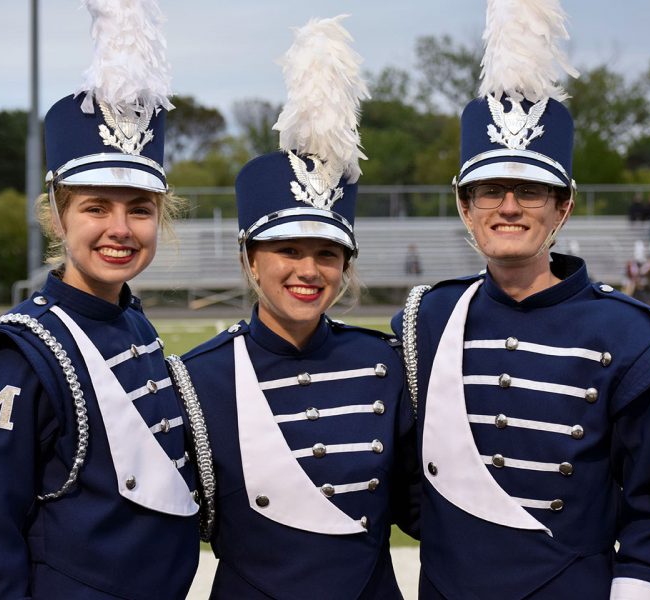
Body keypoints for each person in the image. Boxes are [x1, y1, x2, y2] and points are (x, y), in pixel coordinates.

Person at [393, 1, 650, 598]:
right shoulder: (427, 319)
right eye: (488, 191)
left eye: (530, 190)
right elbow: (409, 483)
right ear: (465, 206)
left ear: (564, 207)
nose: (508, 206)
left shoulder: (632, 334)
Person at [0, 1, 207, 598]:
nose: (121, 228)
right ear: (57, 218)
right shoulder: (21, 352)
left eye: (140, 210)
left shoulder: (132, 320)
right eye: (96, 207)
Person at [168, 17, 417, 599]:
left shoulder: (386, 364)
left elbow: (428, 510)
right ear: (250, 258)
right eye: (287, 250)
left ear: (346, 265)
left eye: (327, 253)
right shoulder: (197, 378)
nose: (308, 271)